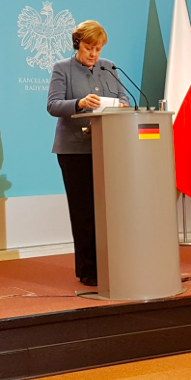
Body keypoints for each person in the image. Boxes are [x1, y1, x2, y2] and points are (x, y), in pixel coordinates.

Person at [46, 20, 129, 287]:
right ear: (77, 44)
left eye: (98, 48)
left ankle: (110, 263)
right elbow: (53, 105)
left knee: (109, 211)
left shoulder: (109, 67)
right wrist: (79, 103)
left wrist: (122, 105)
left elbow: (125, 100)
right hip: (74, 150)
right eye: (88, 47)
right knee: (83, 212)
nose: (93, 54)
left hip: (108, 149)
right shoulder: (62, 69)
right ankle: (88, 269)